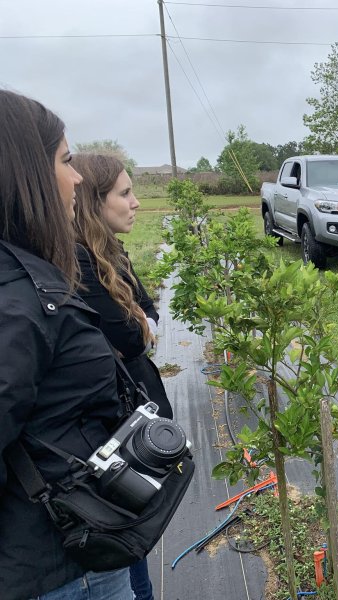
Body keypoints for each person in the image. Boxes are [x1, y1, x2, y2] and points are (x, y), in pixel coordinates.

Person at [0, 90, 134, 598]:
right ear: (23, 173)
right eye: (64, 160)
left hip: (74, 545)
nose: (76, 176)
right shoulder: (16, 299)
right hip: (56, 566)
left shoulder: (28, 276)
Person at [72, 153, 173, 600]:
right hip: (115, 421)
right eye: (125, 193)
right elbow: (134, 338)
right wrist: (139, 325)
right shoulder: (81, 262)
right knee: (126, 534)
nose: (136, 203)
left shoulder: (111, 252)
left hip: (133, 404)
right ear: (95, 201)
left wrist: (140, 323)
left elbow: (147, 314)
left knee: (134, 539)